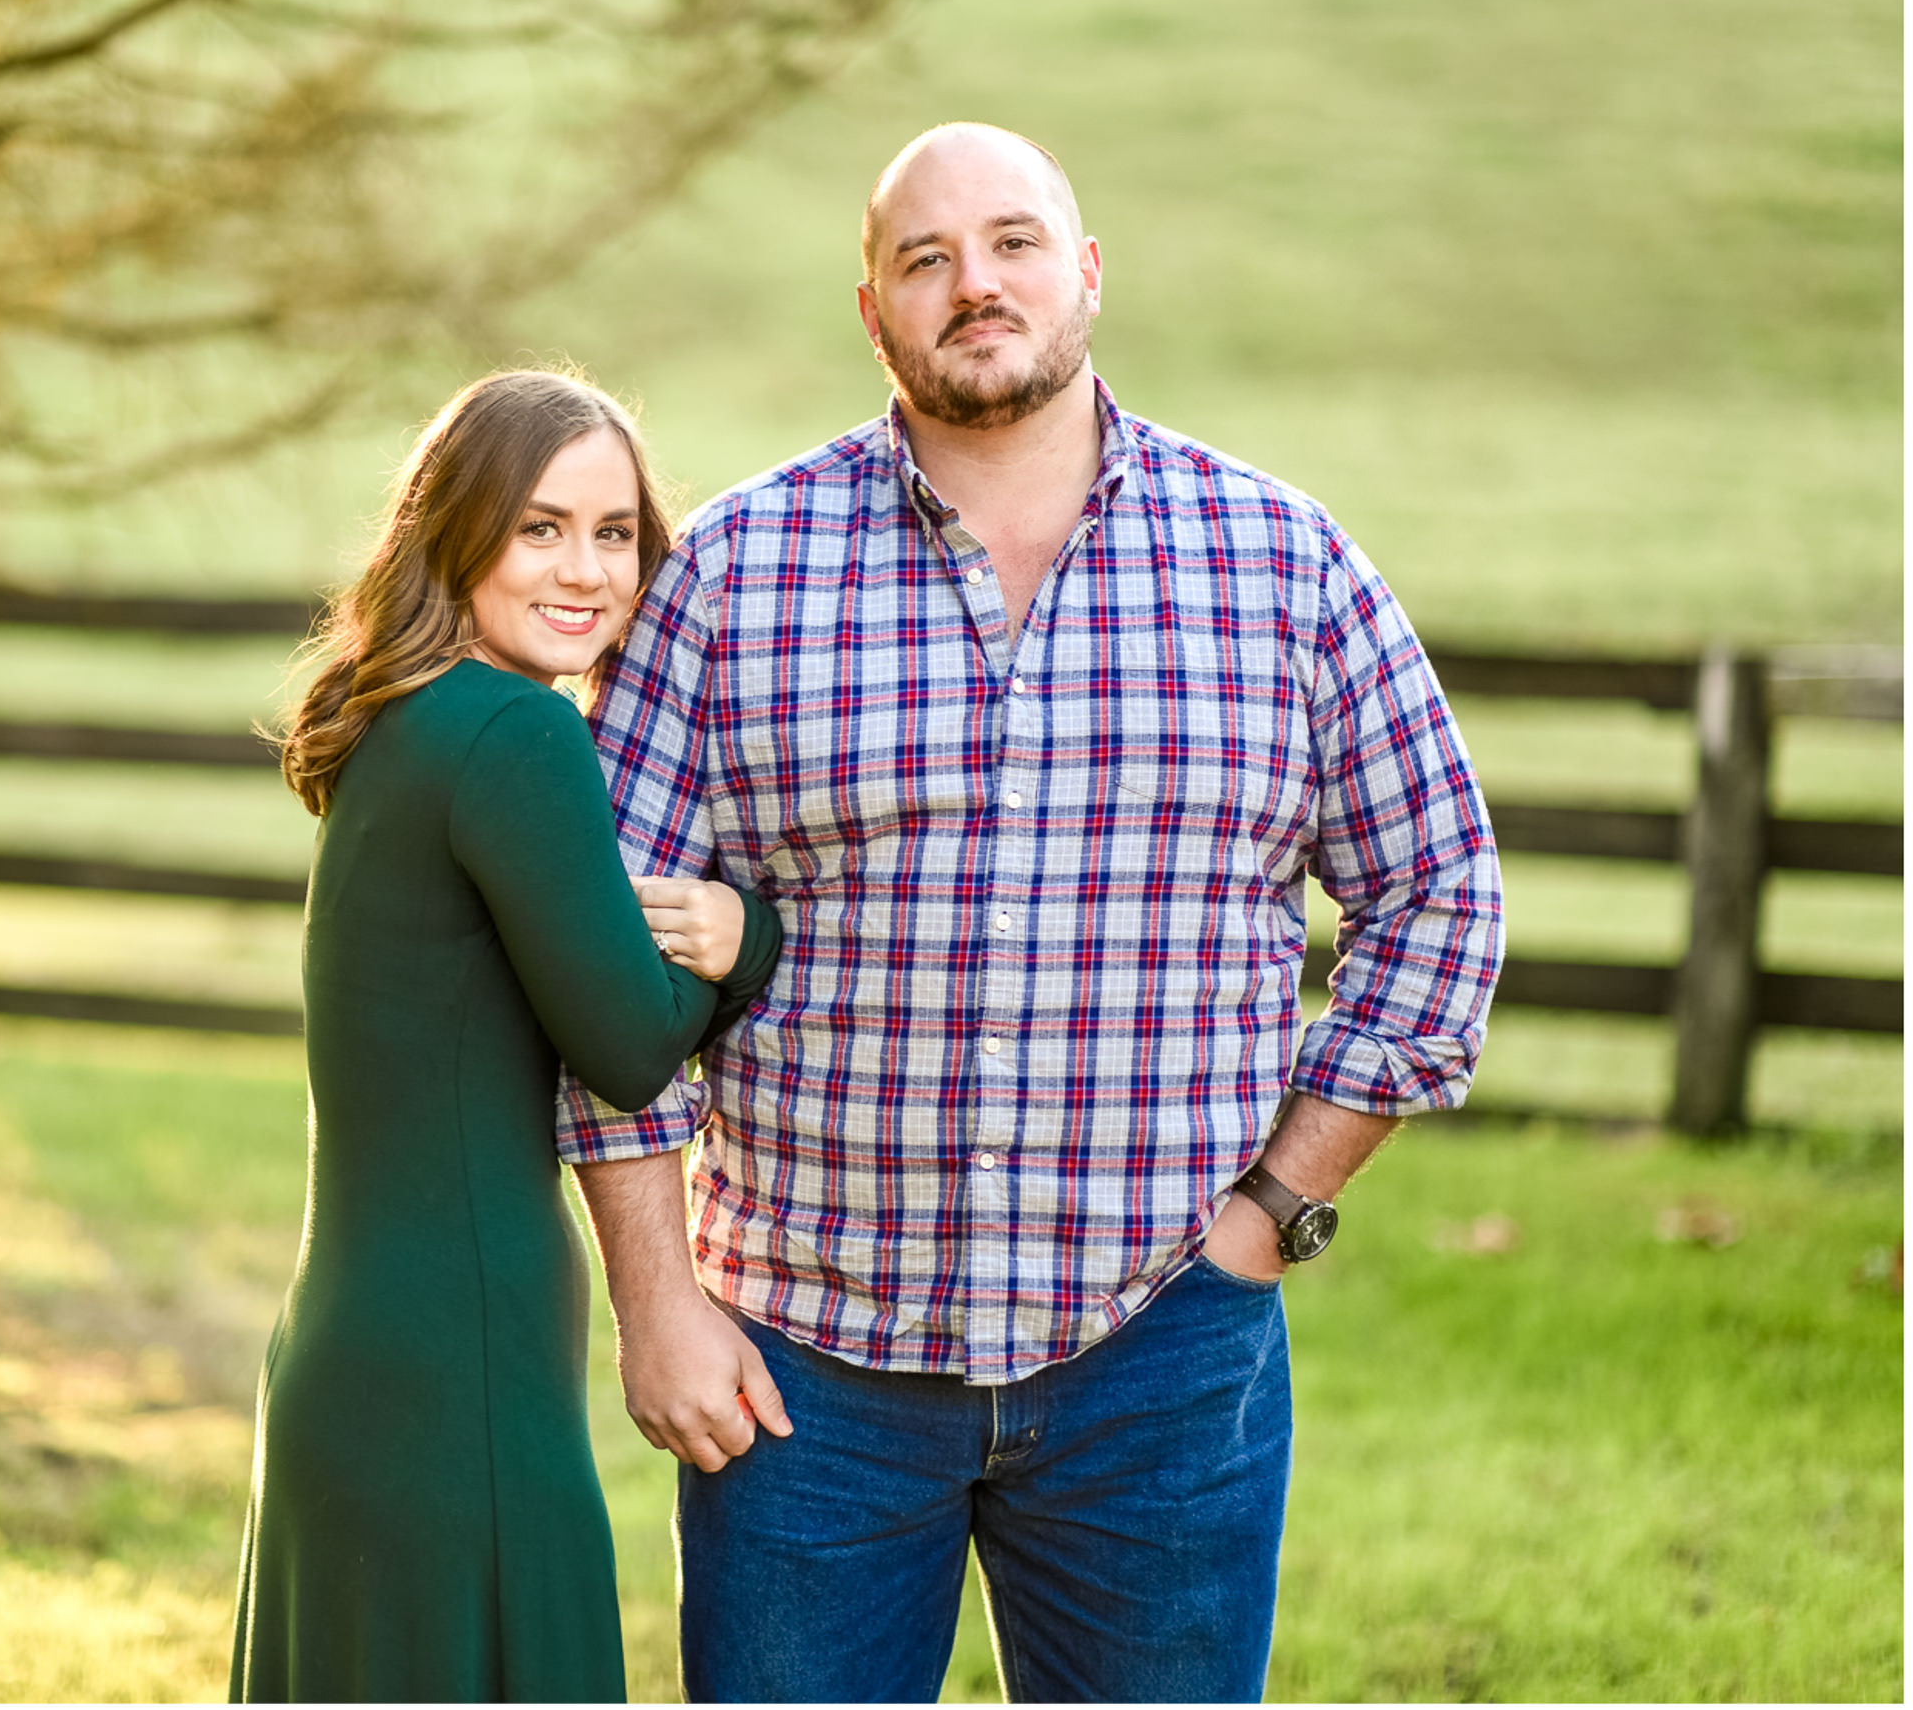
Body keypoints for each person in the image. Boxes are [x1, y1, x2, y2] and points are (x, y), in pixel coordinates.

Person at [561, 122, 1503, 1701]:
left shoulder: (1280, 563)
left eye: (1011, 241)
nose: (973, 282)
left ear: (1084, 272)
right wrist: (656, 1304)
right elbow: (595, 964)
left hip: (1164, 1348)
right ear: (872, 311)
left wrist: (1274, 1211)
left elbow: (1441, 895)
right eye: (925, 258)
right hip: (805, 1366)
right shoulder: (734, 571)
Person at [232, 369, 784, 1701]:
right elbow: (630, 1041)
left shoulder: (403, 720)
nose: (586, 569)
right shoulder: (518, 732)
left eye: (614, 532)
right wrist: (742, 936)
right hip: (456, 1356)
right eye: (540, 527)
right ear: (457, 532)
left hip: (355, 1336)